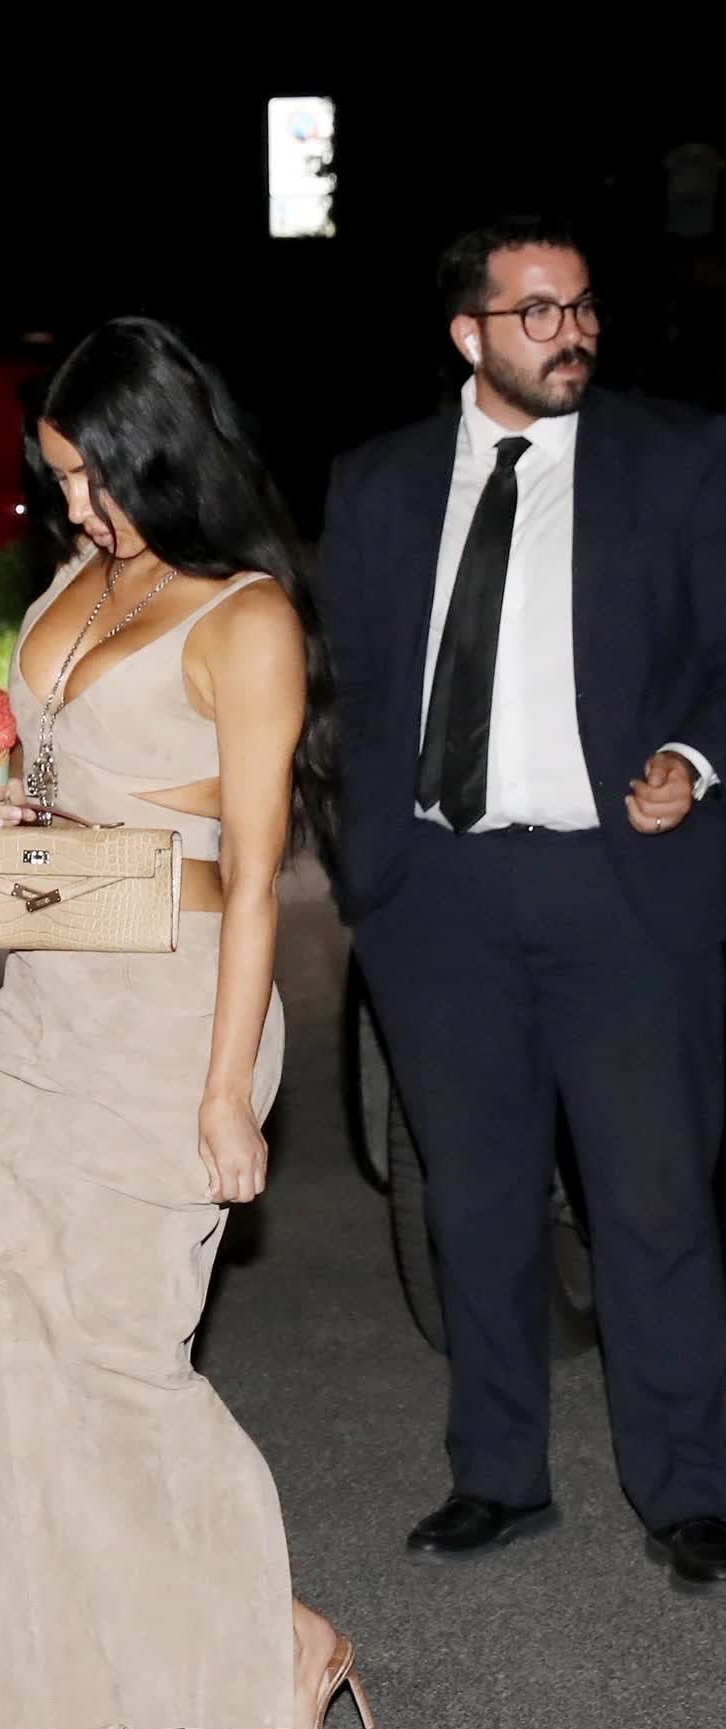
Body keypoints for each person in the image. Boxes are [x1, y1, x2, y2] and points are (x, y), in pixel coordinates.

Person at [0, 316, 373, 1729]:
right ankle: (86, 1691)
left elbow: (257, 878)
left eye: (92, 476)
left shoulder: (244, 619)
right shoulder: (81, 583)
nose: (73, 506)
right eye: (59, 479)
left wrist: (223, 1088)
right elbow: (55, 779)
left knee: (126, 1363)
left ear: (158, 455)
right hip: (46, 991)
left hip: (174, 1006)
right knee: (23, 1357)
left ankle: (285, 1642)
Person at [317, 213, 726, 1592]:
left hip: (619, 889)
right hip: (439, 897)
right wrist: (369, 871)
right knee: (476, 1204)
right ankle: (495, 1477)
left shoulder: (676, 459)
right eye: (537, 312)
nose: (572, 333)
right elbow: (352, 690)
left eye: (582, 305)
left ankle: (688, 1489)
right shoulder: (378, 483)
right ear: (468, 333)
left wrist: (691, 759)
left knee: (652, 1200)